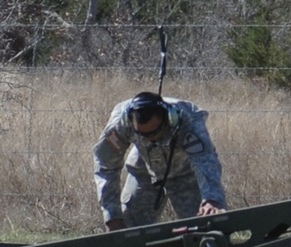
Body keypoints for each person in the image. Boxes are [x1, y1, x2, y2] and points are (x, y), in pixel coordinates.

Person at [93, 91, 227, 232]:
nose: (150, 138)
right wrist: (112, 215)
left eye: (154, 132)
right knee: (127, 235)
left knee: (209, 227)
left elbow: (205, 160)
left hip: (188, 175)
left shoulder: (188, 120)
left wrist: (211, 199)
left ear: (169, 119)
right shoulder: (121, 123)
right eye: (142, 134)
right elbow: (106, 166)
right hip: (143, 172)